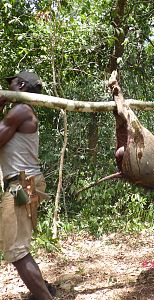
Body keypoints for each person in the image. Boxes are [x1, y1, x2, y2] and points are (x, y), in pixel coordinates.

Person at [0, 71, 56, 299]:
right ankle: (43, 289)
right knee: (17, 244)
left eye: (11, 83)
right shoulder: (21, 111)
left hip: (20, 186)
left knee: (16, 250)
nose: (9, 86)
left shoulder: (20, 110)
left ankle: (45, 296)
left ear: (21, 85)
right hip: (24, 183)